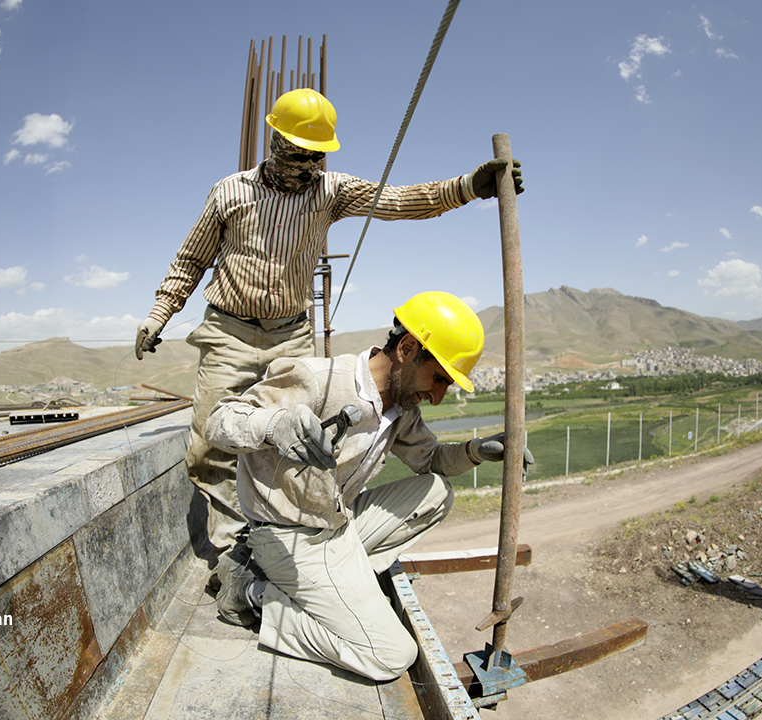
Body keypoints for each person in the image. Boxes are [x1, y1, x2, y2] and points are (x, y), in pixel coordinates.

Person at [134, 88, 524, 557]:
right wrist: (160, 314)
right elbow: (191, 260)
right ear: (275, 139)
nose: (306, 165)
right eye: (298, 153)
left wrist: (467, 187)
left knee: (303, 438)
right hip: (230, 333)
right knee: (209, 450)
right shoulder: (229, 191)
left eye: (315, 156)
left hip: (292, 336)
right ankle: (230, 554)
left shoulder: (330, 191)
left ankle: (286, 538)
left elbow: (397, 201)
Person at [204, 291, 533, 682]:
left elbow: (430, 462)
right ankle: (252, 594)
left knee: (436, 492)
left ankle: (341, 580)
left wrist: (477, 451)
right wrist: (275, 427)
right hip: (288, 536)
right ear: (407, 348)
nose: (439, 397)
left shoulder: (400, 410)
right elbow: (220, 420)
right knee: (391, 654)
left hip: (335, 524)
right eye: (439, 378)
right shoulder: (318, 380)